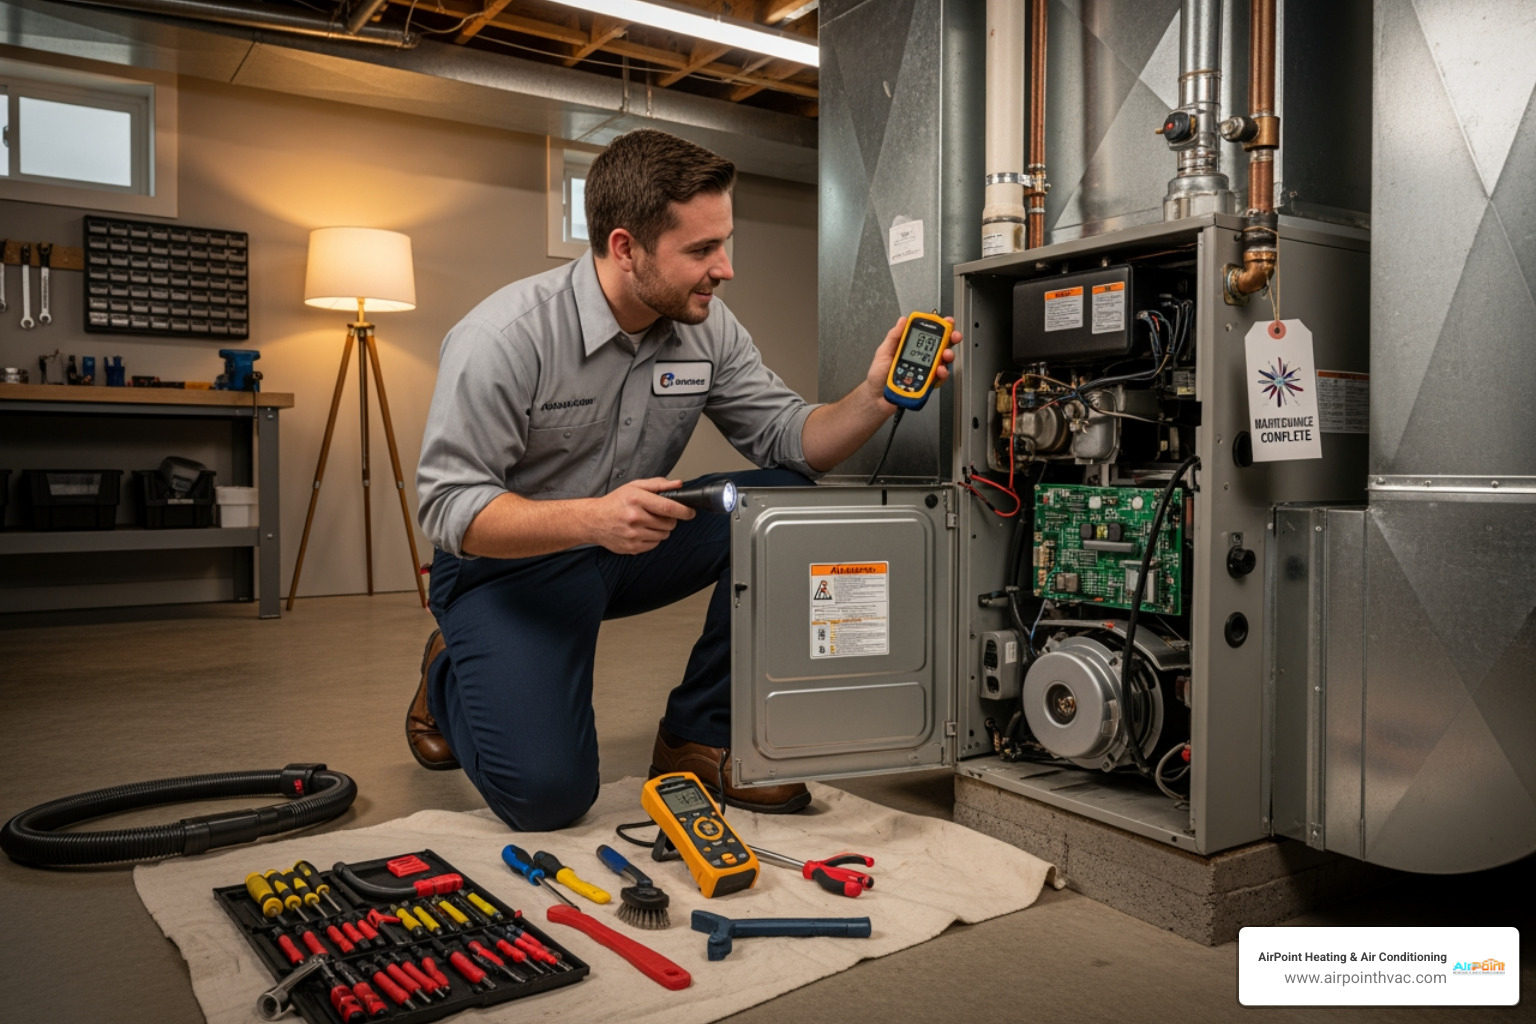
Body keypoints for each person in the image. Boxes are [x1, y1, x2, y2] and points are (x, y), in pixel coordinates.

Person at [408, 128, 959, 832]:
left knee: (783, 500)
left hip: (626, 543)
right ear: (625, 248)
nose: (724, 269)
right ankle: (448, 668)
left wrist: (876, 396)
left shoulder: (707, 328)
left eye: (724, 243)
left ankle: (698, 737)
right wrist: (591, 519)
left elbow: (791, 439)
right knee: (547, 797)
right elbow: (449, 507)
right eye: (701, 250)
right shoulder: (503, 338)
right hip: (505, 571)